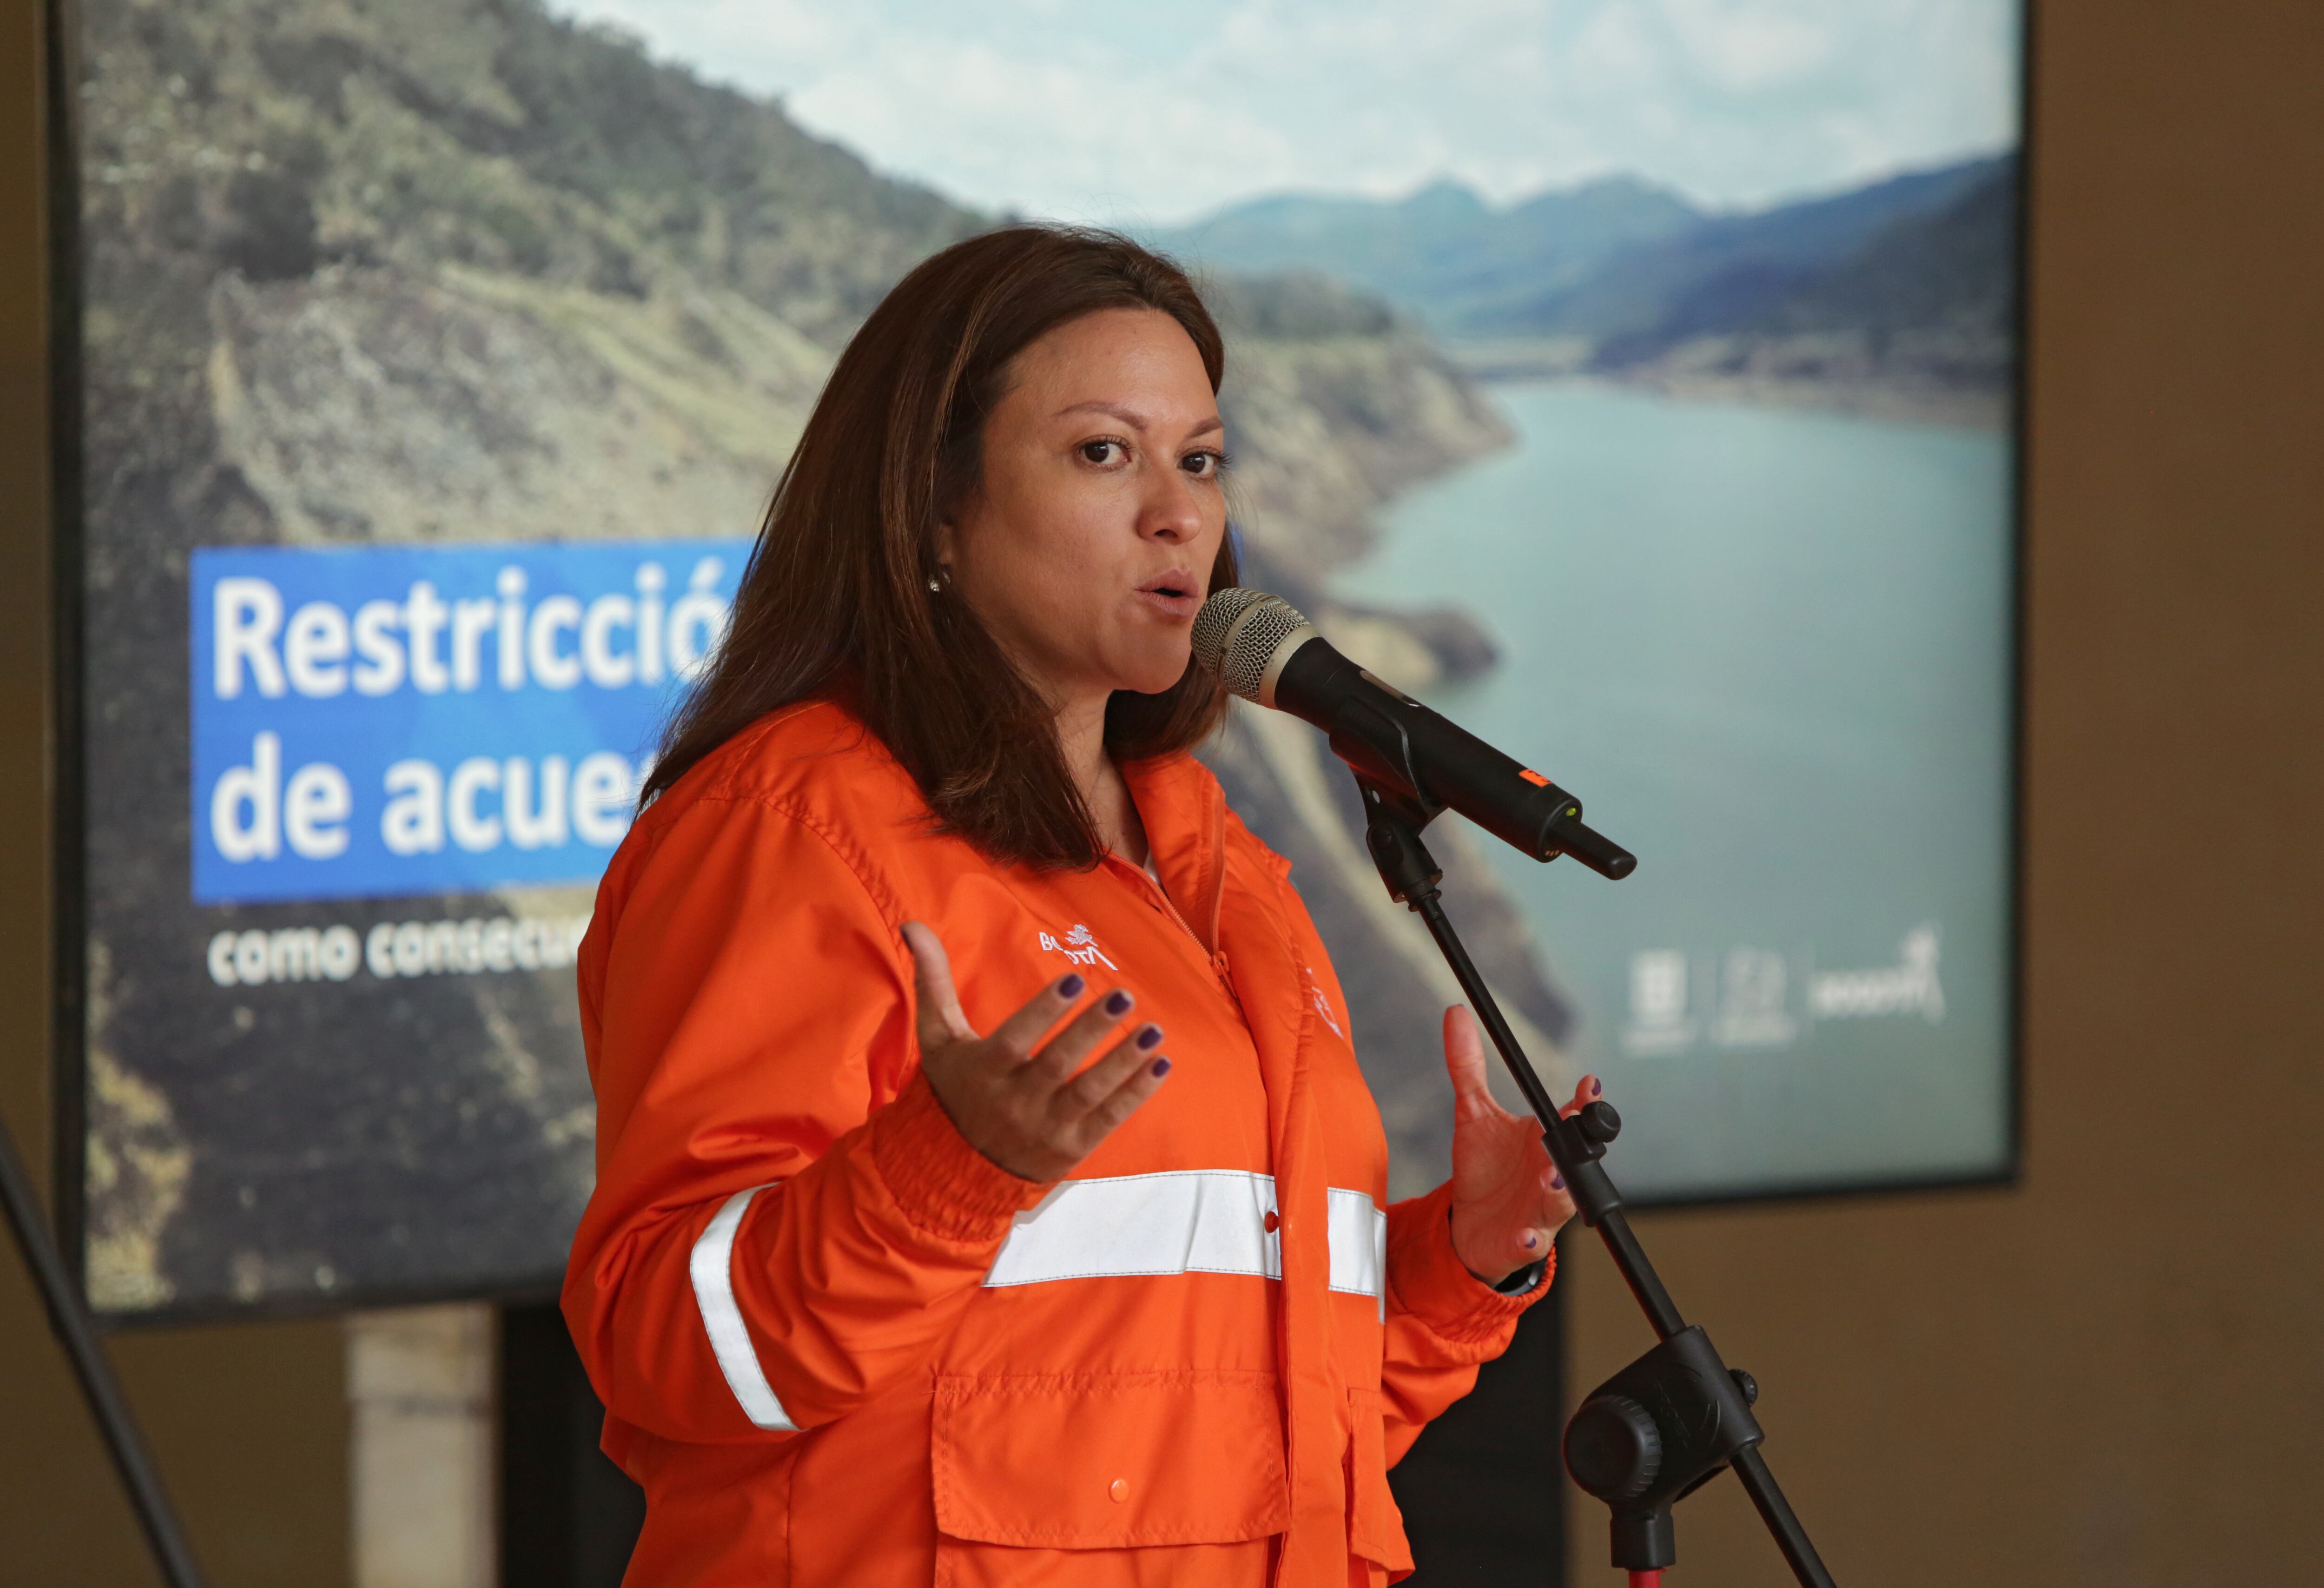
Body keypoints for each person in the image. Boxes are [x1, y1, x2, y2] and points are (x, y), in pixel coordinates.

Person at [562, 225, 1594, 1588]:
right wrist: (945, 1172)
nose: (1178, 513)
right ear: (933, 507)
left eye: (1202, 460)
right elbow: (669, 1347)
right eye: (1104, 453)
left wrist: (1462, 1267)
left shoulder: (1219, 867)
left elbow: (1240, 1428)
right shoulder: (795, 827)